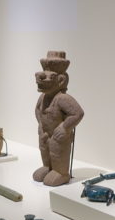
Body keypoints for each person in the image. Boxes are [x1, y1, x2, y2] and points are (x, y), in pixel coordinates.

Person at [33, 51, 84, 186]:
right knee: (44, 149)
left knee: (57, 151)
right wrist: (40, 124)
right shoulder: (43, 97)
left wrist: (64, 127)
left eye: (50, 76)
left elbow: (78, 113)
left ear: (61, 80)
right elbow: (37, 110)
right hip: (44, 133)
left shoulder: (62, 98)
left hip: (58, 136)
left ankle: (61, 172)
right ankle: (47, 167)